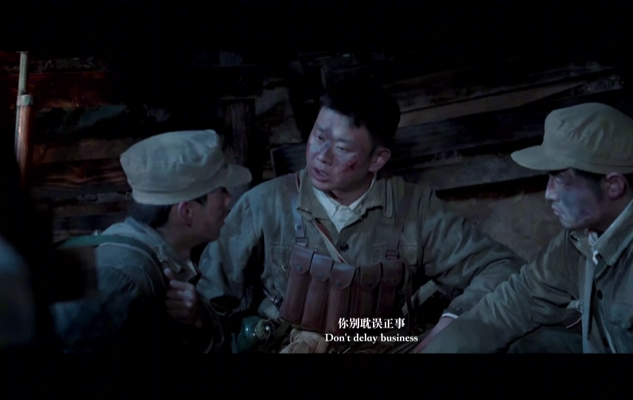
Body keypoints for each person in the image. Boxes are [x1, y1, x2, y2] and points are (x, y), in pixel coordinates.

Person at [197, 82, 526, 353]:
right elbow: (212, 301)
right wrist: (196, 316)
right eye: (319, 137)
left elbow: (500, 267)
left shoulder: (415, 208)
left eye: (342, 148)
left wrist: (452, 322)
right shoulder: (263, 204)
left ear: (377, 159)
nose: (321, 156)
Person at [419, 102, 633, 353]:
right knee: (523, 345)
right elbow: (517, 300)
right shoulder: (581, 238)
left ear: (613, 185)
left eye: (560, 179)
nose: (548, 193)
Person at [50, 130, 252, 353]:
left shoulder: (154, 258)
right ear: (187, 212)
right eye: (221, 191)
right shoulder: (124, 280)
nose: (229, 200)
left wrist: (197, 319)